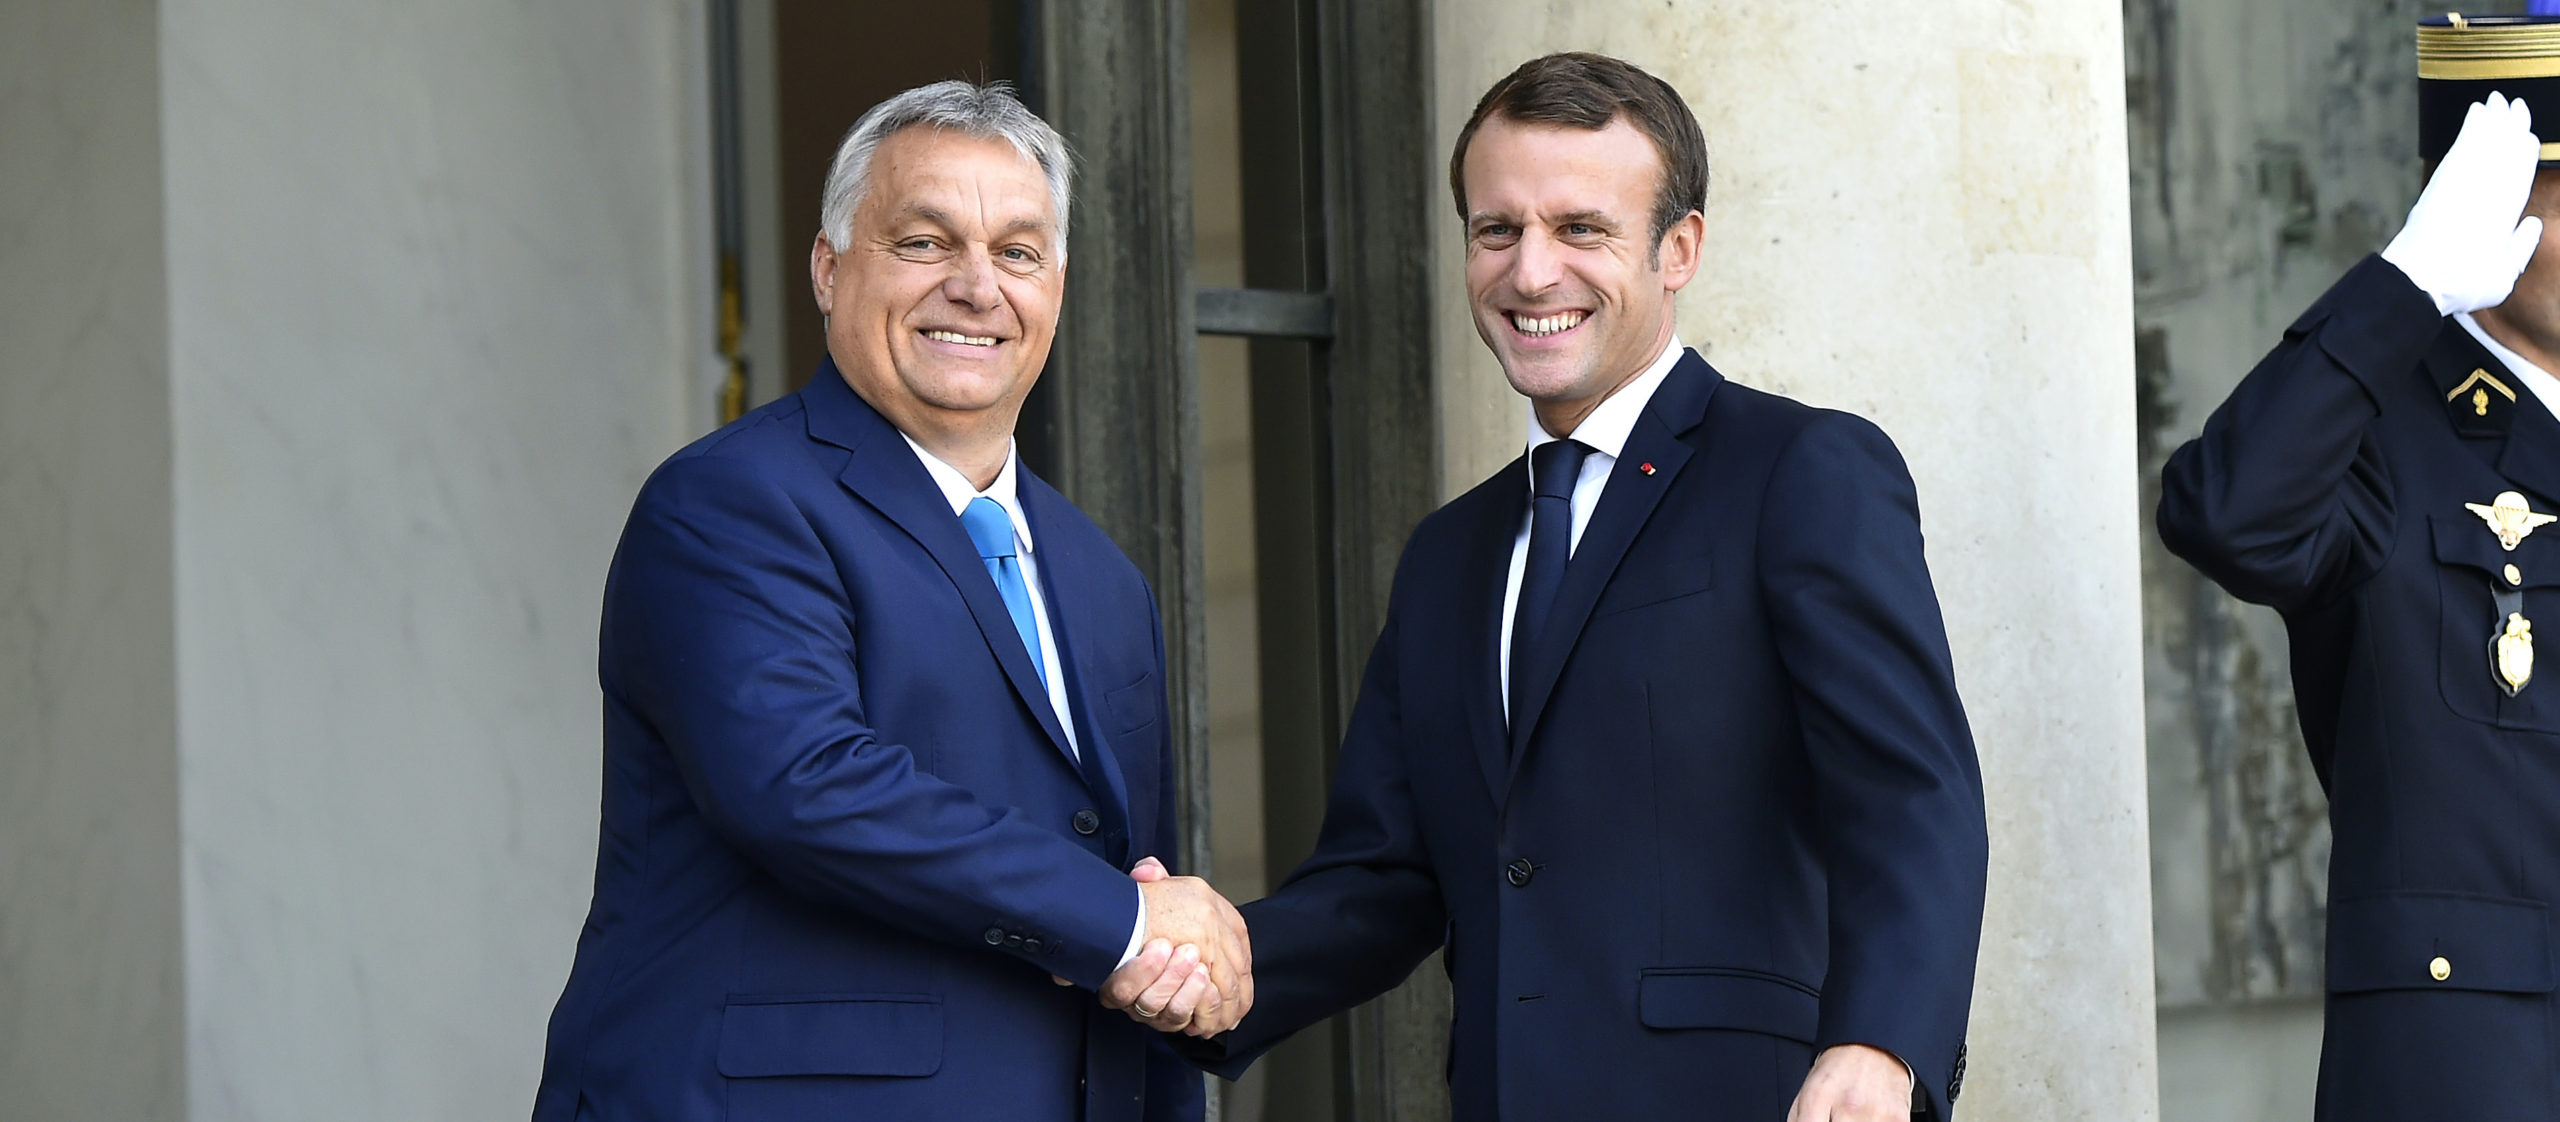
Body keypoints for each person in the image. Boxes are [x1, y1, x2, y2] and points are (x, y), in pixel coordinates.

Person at [1120, 52, 1989, 1121]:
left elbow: (1912, 796)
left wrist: (1880, 1042)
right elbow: (1384, 882)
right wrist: (1206, 960)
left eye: (1581, 229)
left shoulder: (1799, 470)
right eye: (1497, 231)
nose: (1531, 273)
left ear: (1680, 250)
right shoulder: (1446, 554)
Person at [529, 80, 1245, 1122]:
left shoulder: (1102, 581)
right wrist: (1129, 927)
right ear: (828, 270)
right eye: (923, 242)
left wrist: (1174, 973)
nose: (975, 286)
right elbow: (808, 784)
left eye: (1017, 252)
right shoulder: (732, 502)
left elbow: (1136, 883)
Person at [2158, 15, 2560, 1120]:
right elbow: (2223, 513)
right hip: (2484, 1077)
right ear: (2481, 203)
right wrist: (2405, 287)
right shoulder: (2384, 428)